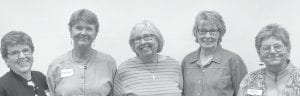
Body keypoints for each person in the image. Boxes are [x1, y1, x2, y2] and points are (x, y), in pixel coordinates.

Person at [47, 9, 117, 96]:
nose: (83, 33)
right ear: (70, 31)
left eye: (89, 29)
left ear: (96, 33)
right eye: (79, 28)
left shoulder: (109, 64)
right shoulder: (56, 65)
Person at [182, 10, 248, 96]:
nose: (207, 36)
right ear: (196, 33)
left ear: (220, 33)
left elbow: (242, 93)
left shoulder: (234, 61)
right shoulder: (187, 61)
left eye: (213, 31)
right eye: (203, 31)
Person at [112, 20, 183, 96]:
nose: (142, 42)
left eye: (147, 37)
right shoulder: (124, 69)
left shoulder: (174, 65)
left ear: (158, 39)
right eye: (137, 39)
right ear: (133, 44)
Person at [238, 24, 300, 96]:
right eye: (266, 48)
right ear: (259, 53)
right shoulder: (249, 80)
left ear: (288, 49)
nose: (272, 51)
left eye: (277, 47)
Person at [0, 31, 49, 96]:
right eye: (15, 53)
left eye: (25, 50)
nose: (22, 56)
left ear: (31, 52)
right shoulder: (2, 86)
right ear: (6, 59)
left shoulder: (41, 77)